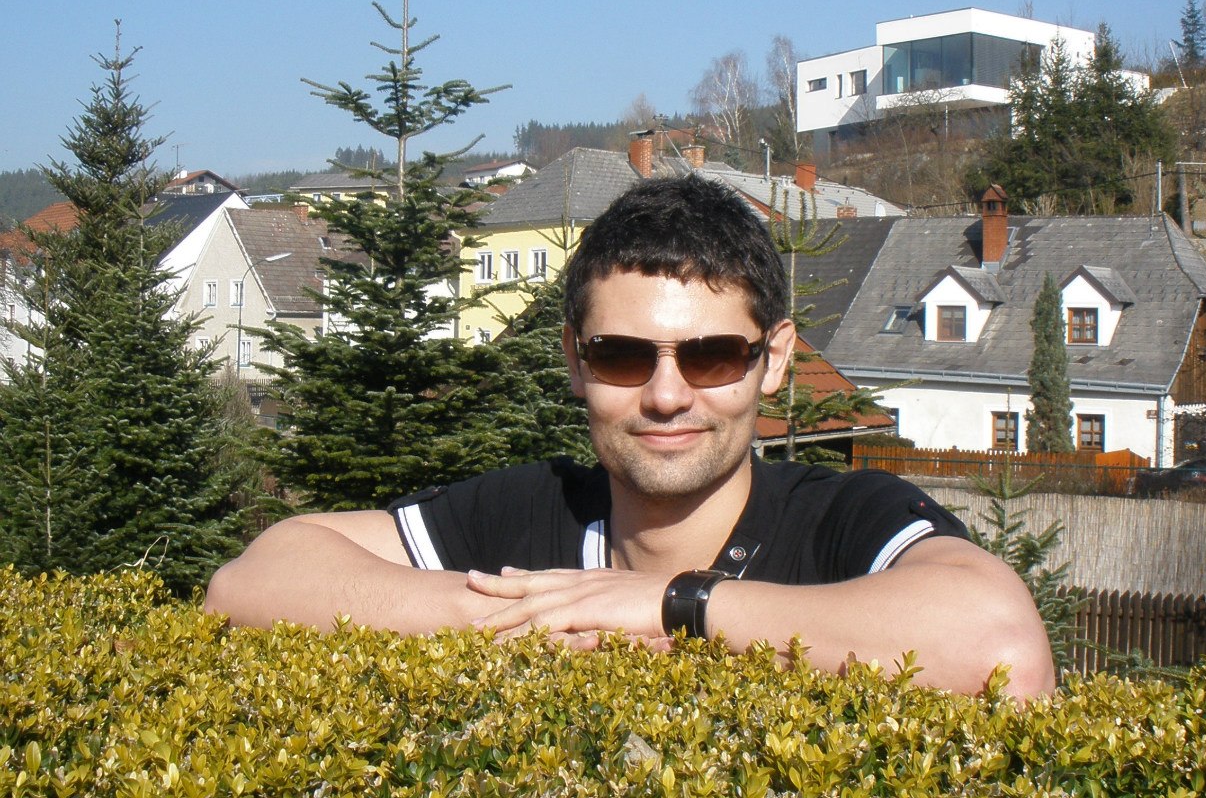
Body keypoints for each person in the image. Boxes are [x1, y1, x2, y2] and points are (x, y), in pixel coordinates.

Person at [205, 175, 1055, 698]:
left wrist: (671, 606)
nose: (666, 395)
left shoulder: (845, 522)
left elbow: (1003, 649)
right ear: (575, 360)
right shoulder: (528, 514)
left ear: (774, 360)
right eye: (622, 355)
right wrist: (528, 615)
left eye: (711, 355)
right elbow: (252, 580)